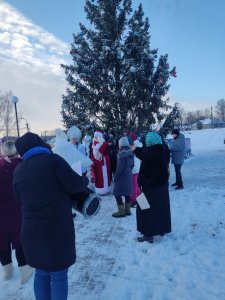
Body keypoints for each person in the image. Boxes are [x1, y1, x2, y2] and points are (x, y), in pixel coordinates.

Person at [13, 132, 86, 300]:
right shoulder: (53, 161)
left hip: (31, 232)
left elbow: (18, 199)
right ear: (39, 143)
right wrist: (84, 180)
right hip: (56, 230)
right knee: (59, 274)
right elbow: (75, 184)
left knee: (42, 273)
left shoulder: (18, 170)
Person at [0, 140, 34, 284]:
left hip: (1, 213)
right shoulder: (23, 166)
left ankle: (7, 270)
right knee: (20, 239)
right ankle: (24, 271)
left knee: (2, 240)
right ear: (16, 151)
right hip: (19, 210)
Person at [132, 131, 171, 243]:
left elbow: (146, 170)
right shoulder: (162, 150)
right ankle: (161, 229)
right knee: (161, 209)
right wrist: (136, 149)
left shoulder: (151, 154)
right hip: (162, 186)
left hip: (150, 188)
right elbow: (144, 155)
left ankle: (148, 234)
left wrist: (140, 182)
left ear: (149, 142)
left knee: (144, 210)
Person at [112, 136, 134, 217]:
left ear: (120, 144)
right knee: (127, 192)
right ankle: (127, 210)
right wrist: (128, 170)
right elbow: (132, 164)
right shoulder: (131, 152)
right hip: (128, 174)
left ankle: (121, 211)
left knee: (117, 193)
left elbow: (119, 168)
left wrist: (115, 176)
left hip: (122, 175)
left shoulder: (121, 153)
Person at [91, 130, 111, 195]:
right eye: (95, 136)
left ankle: (105, 189)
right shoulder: (94, 144)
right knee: (99, 176)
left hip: (103, 162)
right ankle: (100, 190)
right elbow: (98, 152)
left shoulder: (102, 143)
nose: (96, 138)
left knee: (104, 175)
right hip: (98, 163)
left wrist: (105, 144)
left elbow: (103, 151)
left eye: (98, 136)